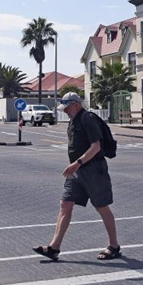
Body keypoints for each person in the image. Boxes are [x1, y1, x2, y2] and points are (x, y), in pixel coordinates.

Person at [32, 92, 121, 261]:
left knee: (101, 206)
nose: (65, 111)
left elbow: (96, 146)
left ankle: (114, 246)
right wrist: (76, 166)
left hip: (93, 169)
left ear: (76, 104)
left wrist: (77, 163)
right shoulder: (73, 121)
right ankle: (54, 247)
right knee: (65, 204)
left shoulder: (88, 118)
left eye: (66, 108)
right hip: (77, 171)